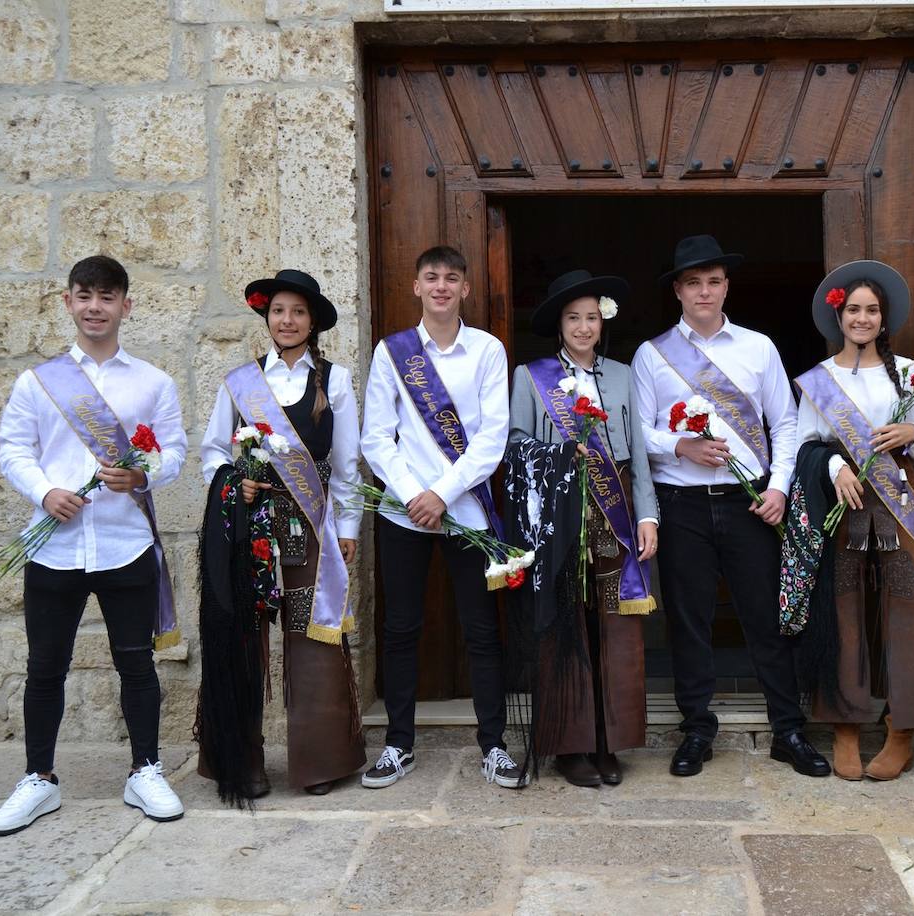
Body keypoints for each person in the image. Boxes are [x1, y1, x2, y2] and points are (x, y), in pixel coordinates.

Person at [0, 255, 187, 835]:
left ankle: (145, 769)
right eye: (84, 296)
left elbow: (173, 452)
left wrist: (143, 475)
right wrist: (45, 490)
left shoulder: (153, 382)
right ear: (68, 302)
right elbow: (12, 450)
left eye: (107, 296)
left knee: (136, 664)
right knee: (45, 667)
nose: (94, 307)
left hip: (125, 544)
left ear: (126, 305)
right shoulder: (38, 382)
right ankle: (38, 779)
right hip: (54, 547)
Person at [632, 234, 830, 779]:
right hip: (683, 505)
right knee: (689, 622)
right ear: (677, 290)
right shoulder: (651, 355)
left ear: (726, 286)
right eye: (693, 283)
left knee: (766, 618)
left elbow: (786, 424)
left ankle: (787, 729)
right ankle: (697, 729)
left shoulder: (758, 347)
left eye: (713, 281)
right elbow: (638, 432)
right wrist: (681, 445)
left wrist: (780, 488)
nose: (704, 292)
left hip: (750, 504)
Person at [360, 245, 527, 790]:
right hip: (404, 513)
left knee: (481, 632)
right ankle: (398, 744)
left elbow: (490, 438)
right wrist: (414, 495)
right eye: (431, 277)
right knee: (400, 630)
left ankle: (494, 746)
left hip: (468, 510)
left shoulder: (487, 350)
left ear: (465, 289)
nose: (440, 287)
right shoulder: (393, 353)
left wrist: (443, 493)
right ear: (415, 286)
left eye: (451, 278)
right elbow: (375, 440)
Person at [196, 268, 365, 800]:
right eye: (278, 312)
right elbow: (213, 455)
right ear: (266, 318)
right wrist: (233, 485)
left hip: (309, 526)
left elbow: (347, 464)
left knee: (312, 634)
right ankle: (241, 761)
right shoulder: (241, 382)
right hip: (250, 527)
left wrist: (350, 526)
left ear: (312, 321)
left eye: (297, 312)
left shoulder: (333, 381)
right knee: (244, 639)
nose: (286, 321)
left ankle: (320, 761)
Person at [780, 260, 914, 782]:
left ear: (884, 317)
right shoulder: (818, 380)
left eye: (872, 310)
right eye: (853, 309)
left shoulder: (912, 380)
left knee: (905, 611)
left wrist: (913, 436)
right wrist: (833, 466)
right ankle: (846, 726)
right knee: (843, 609)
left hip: (898, 500)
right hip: (844, 503)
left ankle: (903, 730)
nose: (862, 318)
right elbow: (806, 441)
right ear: (838, 315)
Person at [504, 269, 659, 787]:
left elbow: (637, 454)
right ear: (559, 324)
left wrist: (646, 515)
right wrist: (559, 457)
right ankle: (570, 745)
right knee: (565, 627)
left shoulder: (621, 375)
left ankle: (607, 740)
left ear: (603, 321)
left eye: (592, 317)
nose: (584, 326)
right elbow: (514, 445)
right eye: (574, 318)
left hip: (613, 517)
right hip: (559, 517)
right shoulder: (531, 376)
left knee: (613, 628)